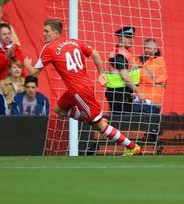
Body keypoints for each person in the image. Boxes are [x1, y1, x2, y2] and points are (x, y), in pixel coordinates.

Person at [23, 19, 142, 156]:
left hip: (80, 91)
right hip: (78, 89)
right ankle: (92, 117)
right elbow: (95, 54)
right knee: (60, 109)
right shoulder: (75, 42)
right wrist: (101, 74)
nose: (44, 34)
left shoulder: (49, 48)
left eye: (46, 31)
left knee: (98, 125)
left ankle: (132, 147)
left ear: (56, 33)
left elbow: (34, 73)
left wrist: (27, 64)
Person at [106, 26, 141, 114]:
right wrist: (138, 92)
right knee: (123, 122)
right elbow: (124, 75)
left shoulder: (122, 51)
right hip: (120, 93)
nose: (131, 40)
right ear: (120, 37)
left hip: (118, 92)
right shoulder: (121, 54)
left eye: (132, 37)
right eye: (128, 37)